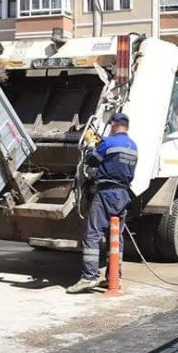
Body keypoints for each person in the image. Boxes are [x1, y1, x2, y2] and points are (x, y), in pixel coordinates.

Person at [67, 112, 137, 294]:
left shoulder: (109, 142)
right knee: (116, 237)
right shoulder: (133, 146)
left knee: (92, 234)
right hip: (123, 194)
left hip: (106, 193)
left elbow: (92, 161)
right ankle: (114, 276)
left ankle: (89, 277)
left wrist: (92, 145)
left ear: (113, 124)